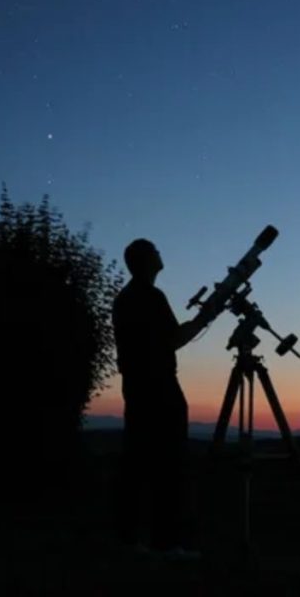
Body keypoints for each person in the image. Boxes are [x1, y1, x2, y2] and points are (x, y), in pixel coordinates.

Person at [112, 238, 206, 558]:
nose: (160, 254)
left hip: (137, 388)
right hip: (160, 387)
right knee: (169, 465)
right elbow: (172, 339)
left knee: (136, 463)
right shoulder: (150, 296)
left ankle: (128, 538)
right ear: (145, 261)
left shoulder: (125, 298)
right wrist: (205, 320)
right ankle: (166, 543)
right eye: (155, 251)